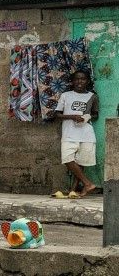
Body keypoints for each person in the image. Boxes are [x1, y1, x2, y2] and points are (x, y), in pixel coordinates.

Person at [50, 69, 99, 198]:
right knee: (67, 159)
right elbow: (57, 114)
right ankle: (87, 183)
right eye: (77, 79)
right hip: (69, 133)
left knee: (81, 162)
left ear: (87, 81)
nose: (79, 81)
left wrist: (86, 117)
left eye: (82, 79)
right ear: (72, 81)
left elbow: (95, 114)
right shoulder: (66, 95)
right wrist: (72, 116)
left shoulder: (92, 96)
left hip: (86, 134)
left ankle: (74, 190)